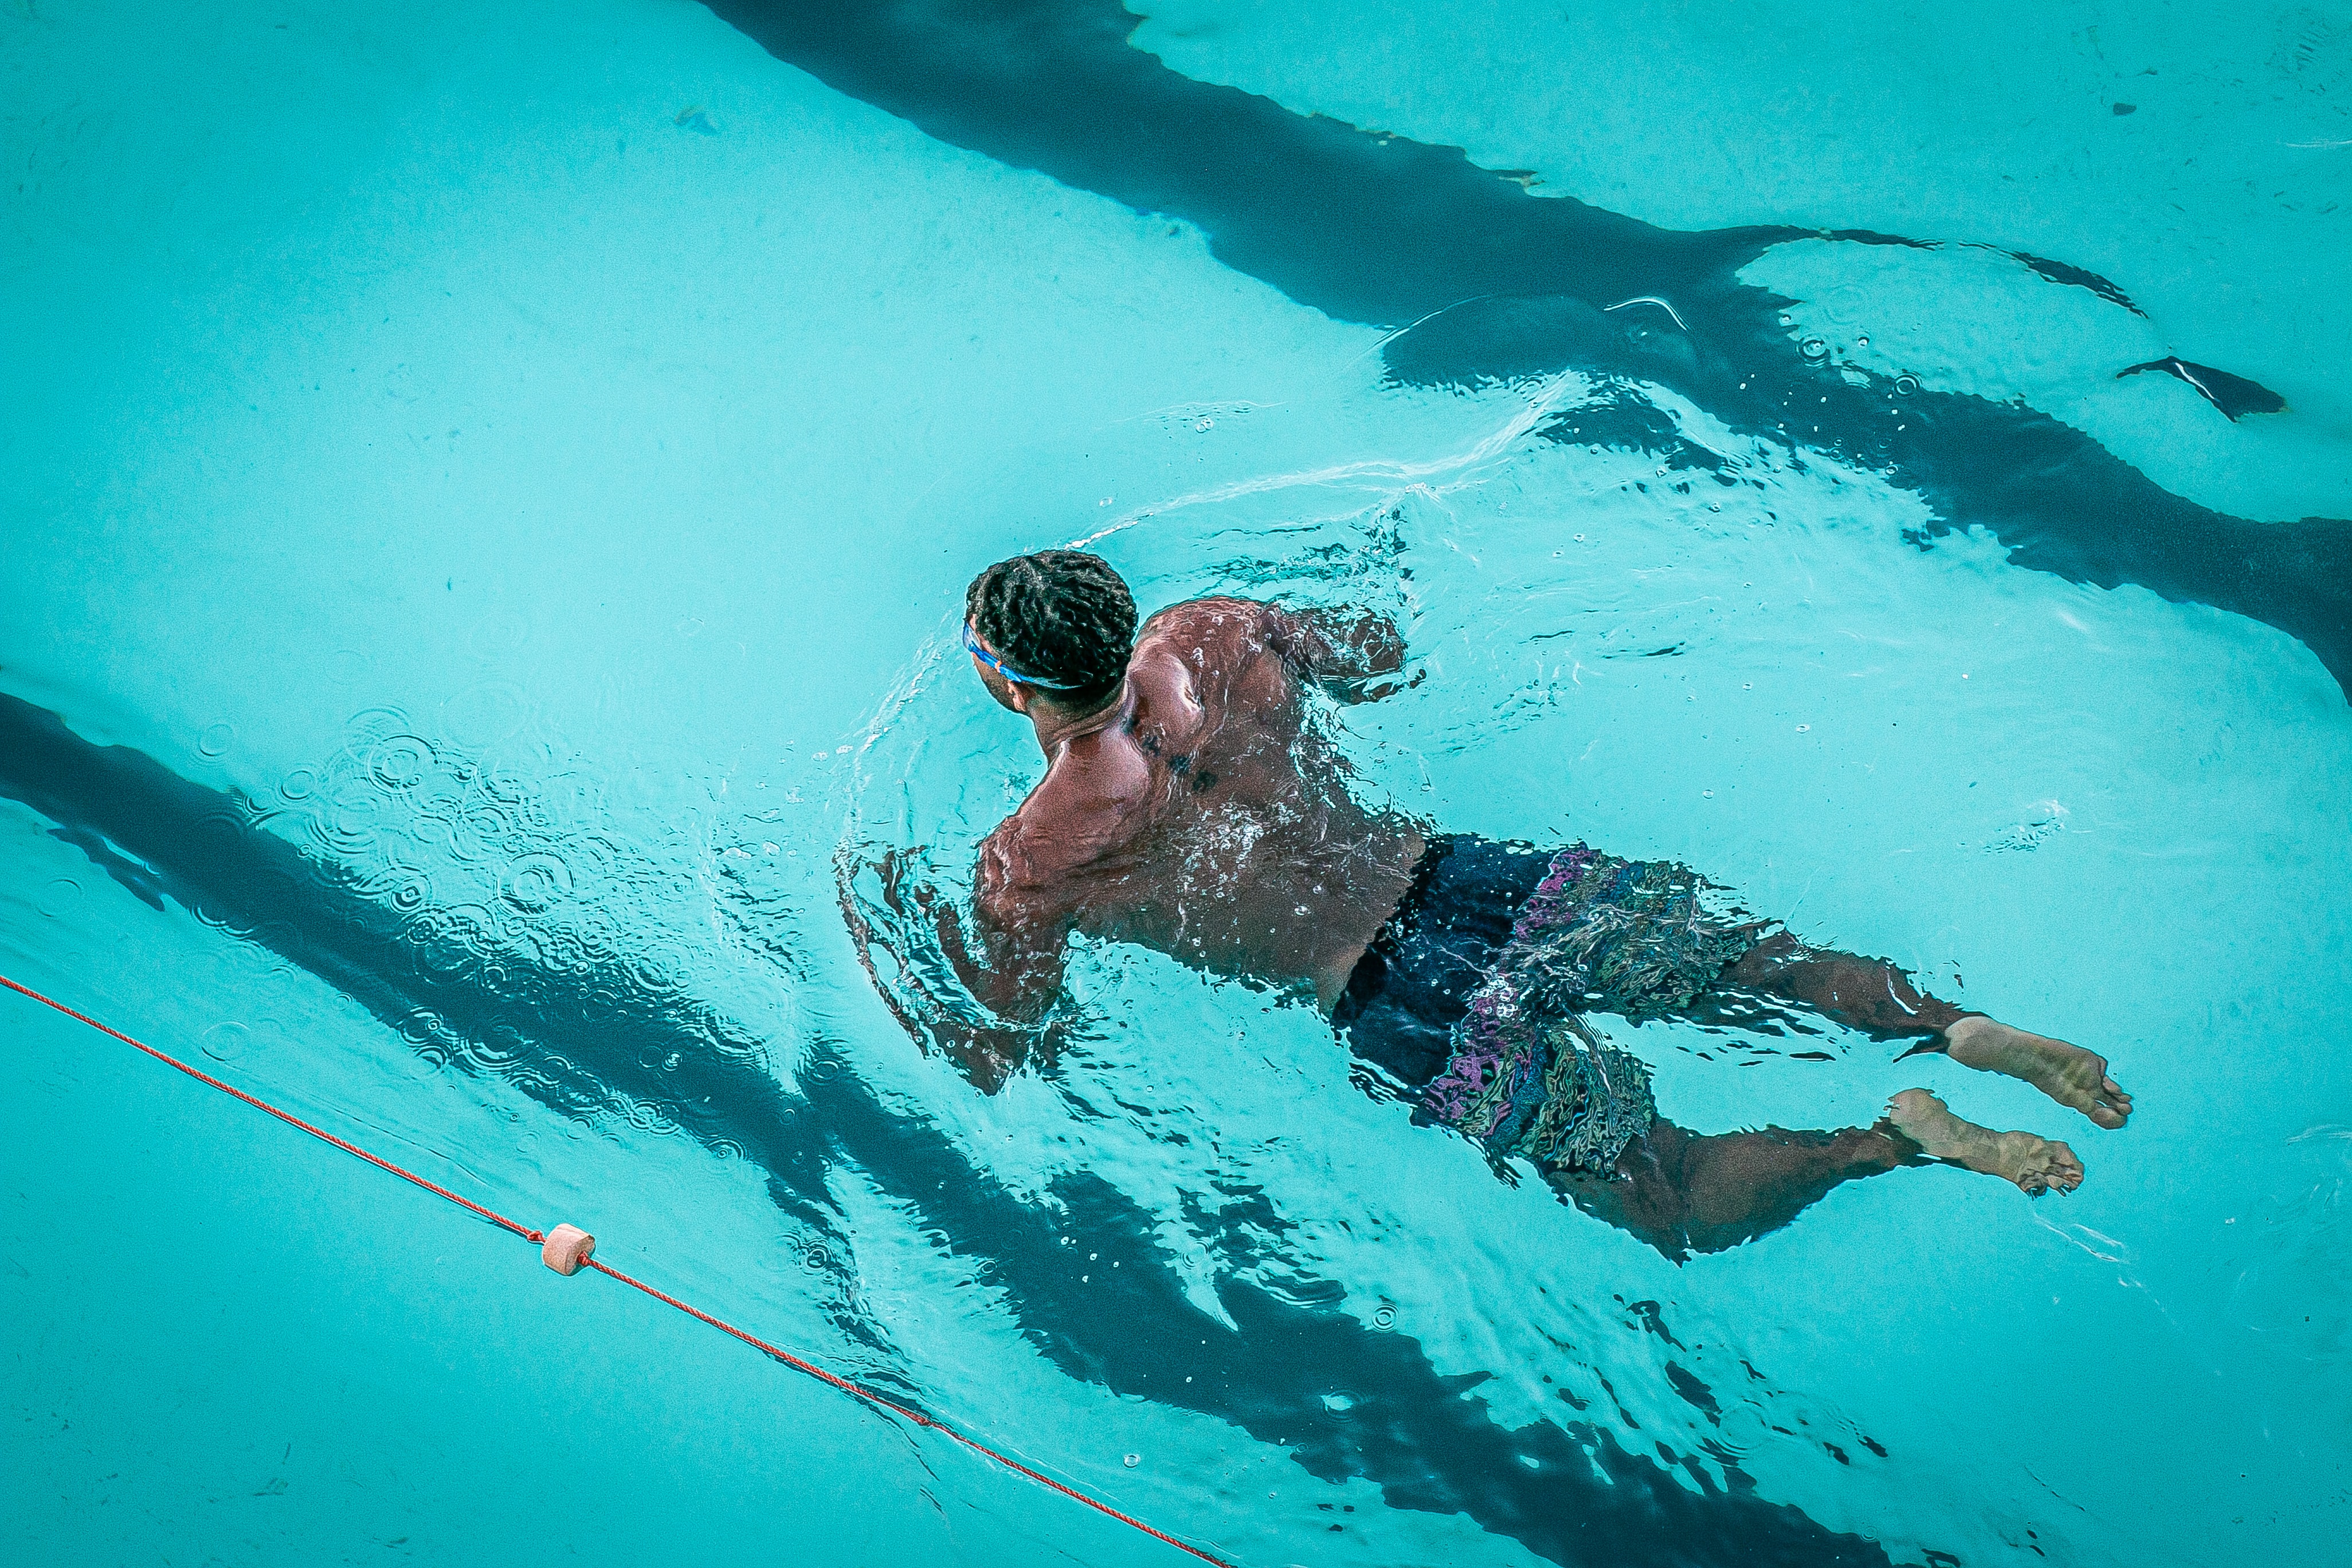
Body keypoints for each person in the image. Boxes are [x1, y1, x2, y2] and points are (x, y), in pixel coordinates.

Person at [865, 550, 2133, 1259]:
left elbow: (1005, 1046)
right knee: (1767, 969)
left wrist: (886, 946)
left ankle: (1895, 1141)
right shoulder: (1216, 632)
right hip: (1471, 878)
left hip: (1391, 1002)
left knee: (1670, 1191)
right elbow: (1382, 654)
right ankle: (1960, 1028)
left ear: (1006, 689)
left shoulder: (1032, 862)